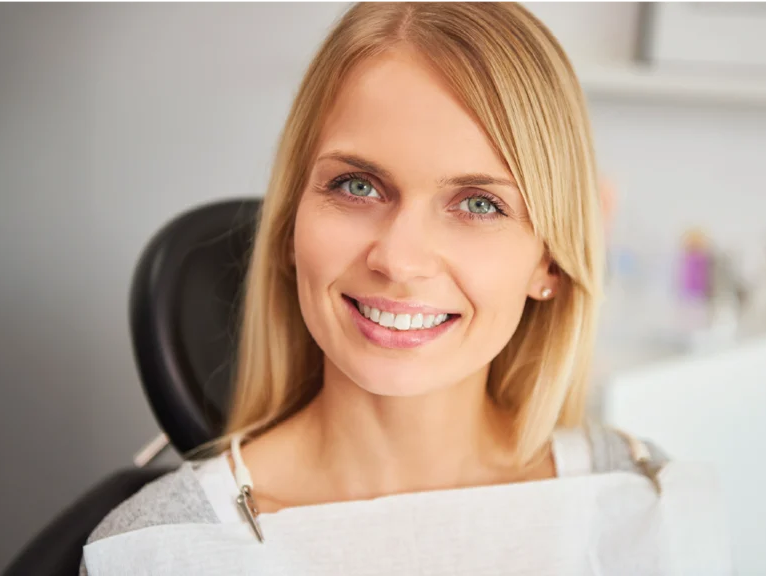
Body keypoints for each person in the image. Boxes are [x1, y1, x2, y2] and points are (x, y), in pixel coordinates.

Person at [80, 0, 666, 572]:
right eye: (358, 186)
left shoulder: (639, 501)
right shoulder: (159, 552)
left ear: (550, 264)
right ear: (289, 225)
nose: (398, 259)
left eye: (480, 203)